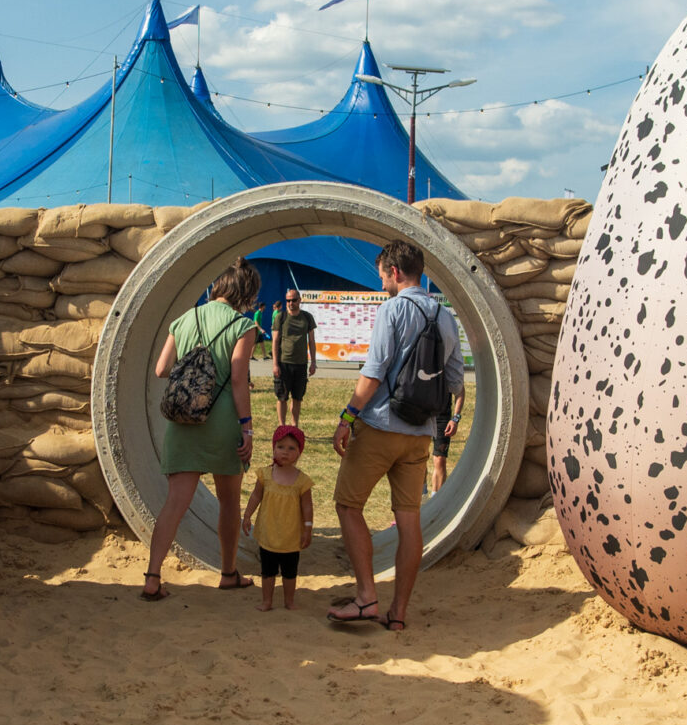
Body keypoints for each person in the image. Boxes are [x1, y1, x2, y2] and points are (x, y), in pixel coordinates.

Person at [326, 240, 462, 632]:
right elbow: (455, 381)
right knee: (409, 519)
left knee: (348, 505)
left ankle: (367, 597)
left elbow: (374, 370)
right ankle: (398, 612)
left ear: (395, 272)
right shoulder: (446, 316)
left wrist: (347, 416)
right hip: (420, 435)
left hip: (381, 426)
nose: (381, 282)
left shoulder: (393, 309)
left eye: (382, 275)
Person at [143, 261, 259, 600]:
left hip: (184, 420)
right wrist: (247, 428)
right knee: (229, 501)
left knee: (175, 502)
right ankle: (228, 573)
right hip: (222, 422)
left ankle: (152, 577)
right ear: (246, 293)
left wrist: (193, 373)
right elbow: (238, 379)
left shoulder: (184, 319)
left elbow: (161, 369)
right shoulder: (244, 326)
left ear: (219, 286)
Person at [241, 424, 314, 612]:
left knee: (290, 572)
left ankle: (289, 601)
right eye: (280, 447)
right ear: (273, 448)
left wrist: (308, 527)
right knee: (267, 571)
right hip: (268, 534)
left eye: (291, 448)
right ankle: (267, 601)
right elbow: (256, 496)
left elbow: (307, 506)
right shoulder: (265, 475)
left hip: (291, 537)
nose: (285, 452)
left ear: (299, 452)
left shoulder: (302, 481)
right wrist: (247, 515)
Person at [270, 288, 318, 429]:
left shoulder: (307, 317)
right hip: (283, 363)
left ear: (299, 300)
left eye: (293, 300)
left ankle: (294, 426)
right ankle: (282, 427)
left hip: (301, 364)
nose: (291, 303)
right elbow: (275, 341)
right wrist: (275, 364)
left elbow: (312, 341)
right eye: (288, 300)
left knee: (297, 397)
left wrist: (313, 362)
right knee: (282, 397)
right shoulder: (281, 317)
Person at [429, 376, 467, 495]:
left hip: (442, 416)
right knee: (416, 456)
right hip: (421, 413)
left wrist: (455, 418)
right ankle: (422, 493)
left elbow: (460, 390)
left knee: (440, 459)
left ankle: (436, 498)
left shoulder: (447, 367)